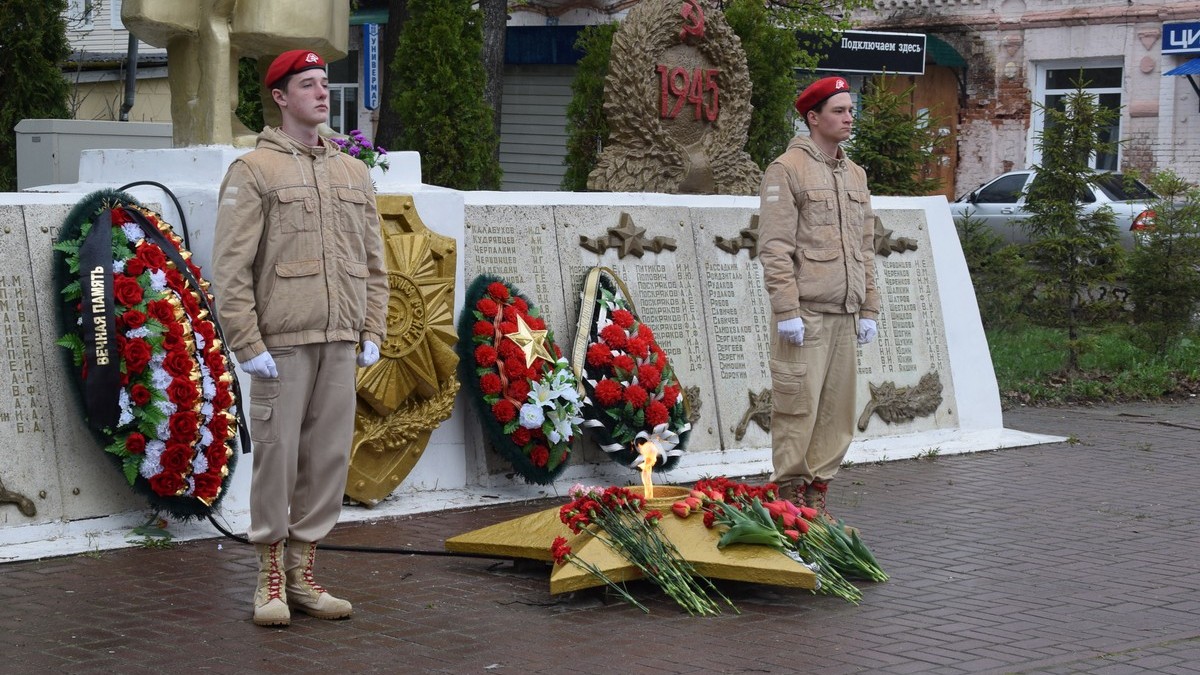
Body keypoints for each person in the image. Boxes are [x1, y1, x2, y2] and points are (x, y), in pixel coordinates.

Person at [212, 49, 388, 627]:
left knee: (328, 459)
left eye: (323, 83)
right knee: (278, 458)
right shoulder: (255, 170)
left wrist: (372, 328)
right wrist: (247, 343)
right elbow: (231, 269)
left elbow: (374, 263)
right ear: (281, 98)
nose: (320, 92)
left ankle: (302, 570)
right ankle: (268, 576)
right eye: (306, 85)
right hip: (281, 344)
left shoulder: (352, 171)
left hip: (340, 338)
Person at [757, 75, 880, 517]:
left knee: (837, 413)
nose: (850, 118)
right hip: (804, 317)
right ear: (813, 117)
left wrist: (869, 307)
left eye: (851, 110)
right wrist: (786, 308)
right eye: (839, 111)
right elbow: (774, 246)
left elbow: (865, 247)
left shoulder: (855, 173)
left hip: (846, 316)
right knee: (797, 409)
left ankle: (816, 499)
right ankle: (786, 501)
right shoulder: (786, 169)